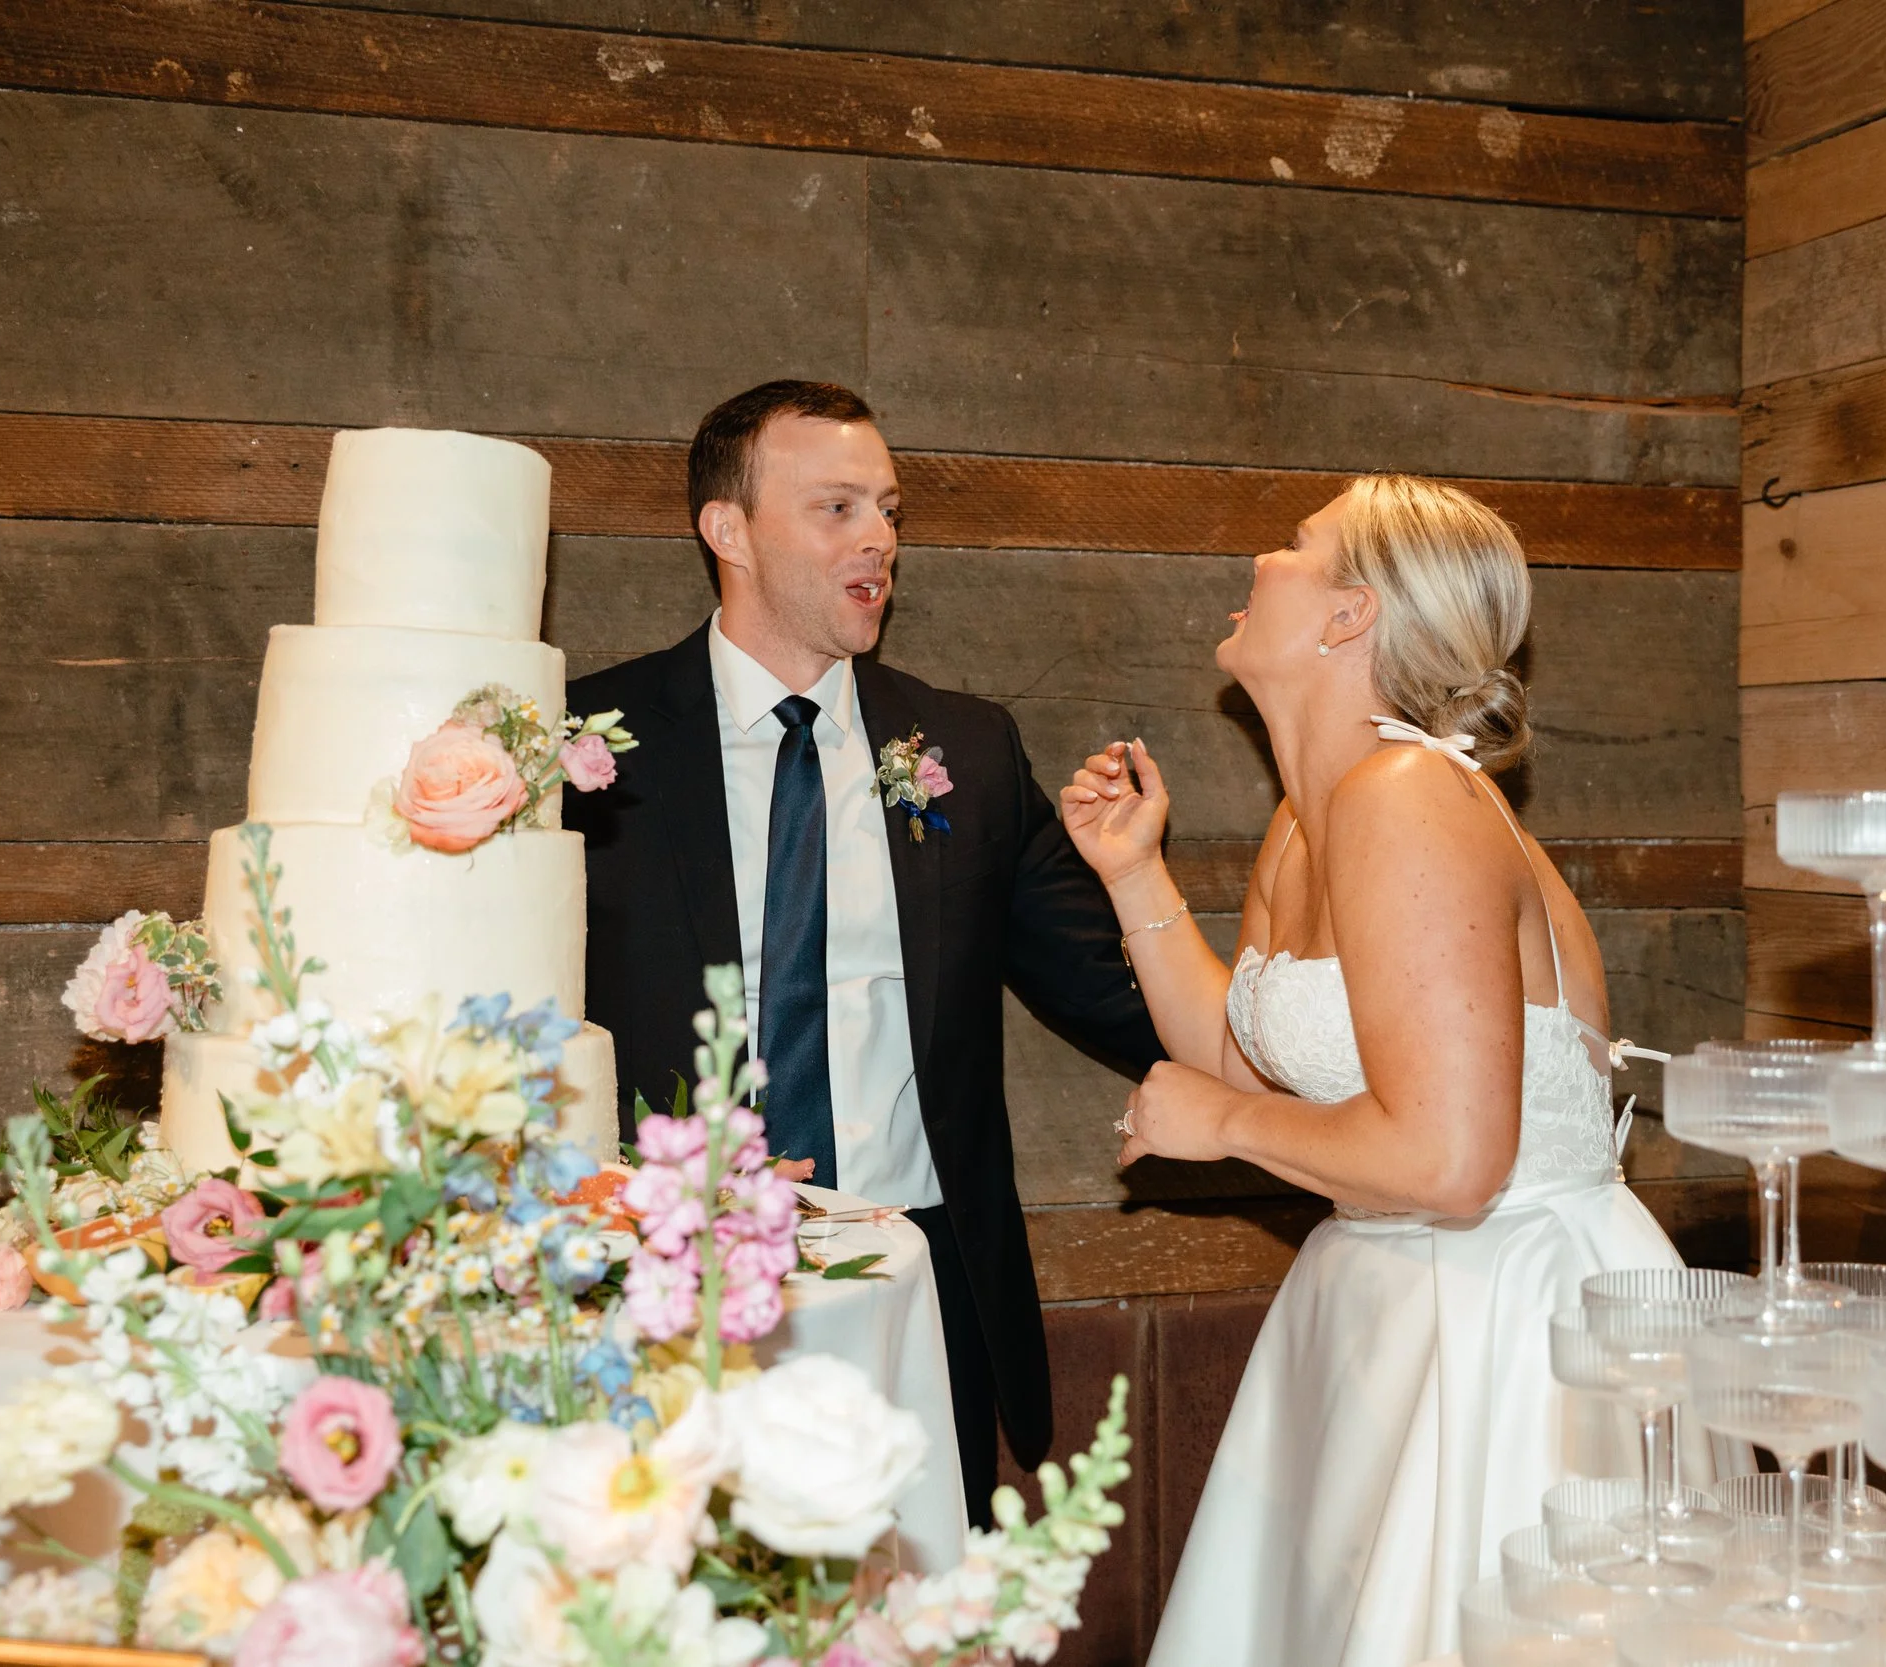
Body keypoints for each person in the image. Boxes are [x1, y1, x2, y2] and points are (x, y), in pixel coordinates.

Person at [1060, 474, 1685, 1666]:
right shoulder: (1310, 817)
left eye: (1295, 545)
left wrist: (1225, 1122)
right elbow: (1244, 1056)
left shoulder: (1408, 796)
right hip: (1386, 1298)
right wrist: (1133, 874)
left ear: (1353, 614)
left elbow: (1450, 1163)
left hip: (1504, 1322)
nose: (1261, 556)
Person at [565, 380, 1163, 1524]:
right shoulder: (594, 748)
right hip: (663, 1280)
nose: (880, 537)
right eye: (836, 507)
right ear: (727, 529)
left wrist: (1299, 1039)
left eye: (887, 508)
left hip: (913, 1275)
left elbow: (1114, 995)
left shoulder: (967, 750)